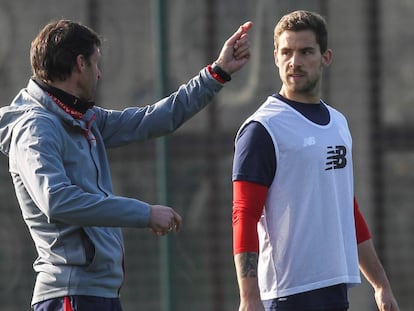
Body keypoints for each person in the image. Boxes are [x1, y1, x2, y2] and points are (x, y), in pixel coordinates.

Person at [0, 19, 252, 310]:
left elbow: (153, 119)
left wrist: (216, 74)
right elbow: (57, 201)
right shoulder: (35, 128)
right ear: (80, 64)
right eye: (95, 63)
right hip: (69, 295)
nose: (100, 72)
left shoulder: (82, 118)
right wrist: (144, 213)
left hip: (99, 293)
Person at [232, 10, 399, 311]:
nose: (295, 62)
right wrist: (249, 296)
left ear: (326, 57)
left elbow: (346, 208)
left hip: (335, 290)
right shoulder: (262, 129)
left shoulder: (339, 123)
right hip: (286, 295)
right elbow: (243, 213)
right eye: (287, 52)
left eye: (306, 51)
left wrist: (381, 285)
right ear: (275, 57)